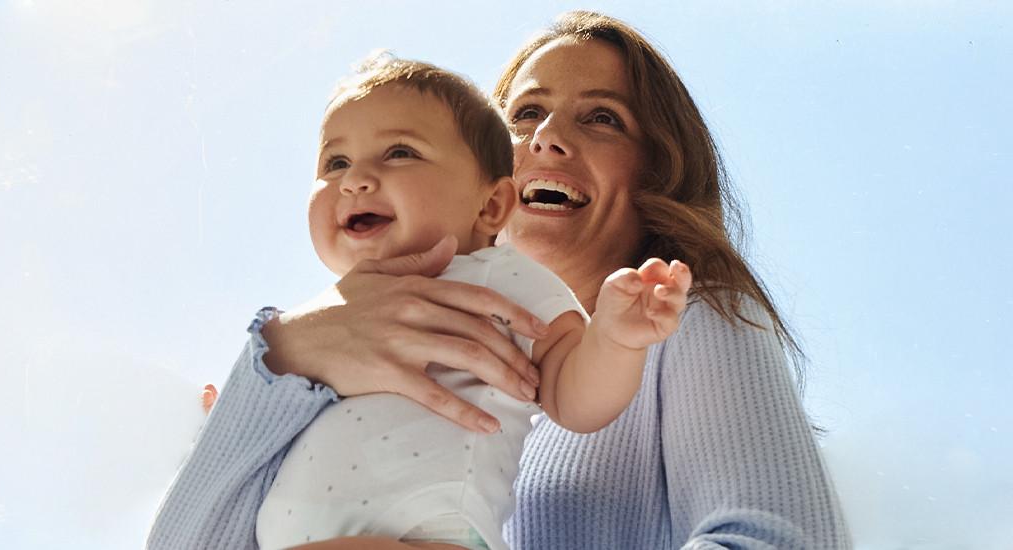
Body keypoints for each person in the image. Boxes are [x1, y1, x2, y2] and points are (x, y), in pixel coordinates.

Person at [149, 11, 849, 549]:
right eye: (523, 113)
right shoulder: (324, 357)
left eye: (602, 117)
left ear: (657, 171)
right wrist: (282, 358)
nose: (546, 136)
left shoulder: (686, 323)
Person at [253, 53, 693, 550]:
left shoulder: (498, 277)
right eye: (336, 162)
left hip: (425, 533)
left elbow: (573, 399)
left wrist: (614, 339)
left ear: (490, 205)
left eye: (399, 152)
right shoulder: (330, 317)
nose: (356, 179)